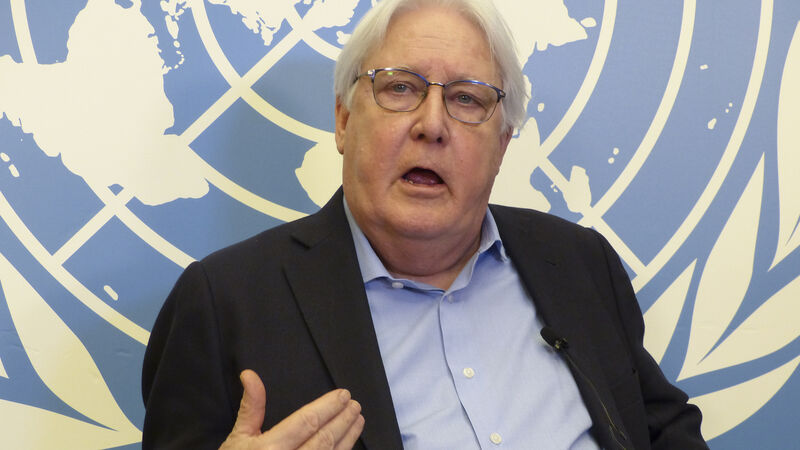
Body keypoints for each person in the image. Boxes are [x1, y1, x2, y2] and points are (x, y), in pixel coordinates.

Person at [141, 0, 708, 448]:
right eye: (400, 88)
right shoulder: (222, 304)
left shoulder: (579, 262)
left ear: (502, 146)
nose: (432, 125)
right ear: (343, 121)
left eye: (467, 99)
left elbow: (660, 426)